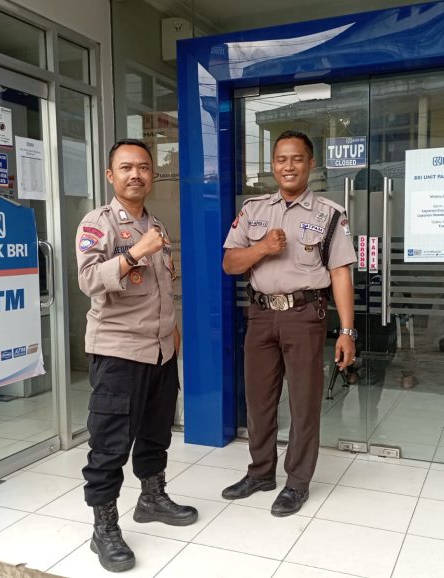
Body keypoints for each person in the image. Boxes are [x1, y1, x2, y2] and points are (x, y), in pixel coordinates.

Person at [221, 130, 357, 516]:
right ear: (272, 165)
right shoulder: (253, 210)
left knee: (304, 402)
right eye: (281, 159)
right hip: (261, 315)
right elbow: (229, 263)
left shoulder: (329, 214)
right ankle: (261, 472)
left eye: (297, 159)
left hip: (304, 316)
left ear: (311, 164)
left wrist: (347, 331)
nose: (288, 166)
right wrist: (262, 247)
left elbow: (341, 274)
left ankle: (297, 482)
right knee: (259, 401)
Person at [76, 139, 197, 573]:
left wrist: (172, 328)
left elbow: (163, 285)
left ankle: (152, 497)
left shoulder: (155, 224)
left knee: (155, 431)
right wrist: (133, 253)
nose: (136, 175)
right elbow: (89, 280)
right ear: (111, 175)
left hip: (160, 350)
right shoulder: (99, 223)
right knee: (109, 444)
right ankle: (104, 527)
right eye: (126, 168)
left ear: (152, 175)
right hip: (119, 352)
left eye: (143, 167)